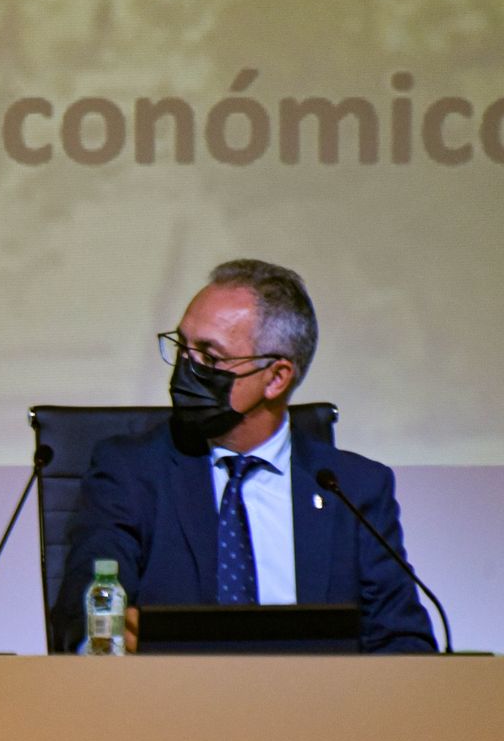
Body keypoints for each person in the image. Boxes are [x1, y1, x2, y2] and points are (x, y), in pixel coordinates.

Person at [53, 258, 435, 654]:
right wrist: (105, 636)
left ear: (276, 377)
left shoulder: (353, 489)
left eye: (211, 356)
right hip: (170, 705)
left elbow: (402, 639)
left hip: (318, 708)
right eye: (183, 346)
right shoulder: (131, 472)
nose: (188, 366)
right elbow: (87, 608)